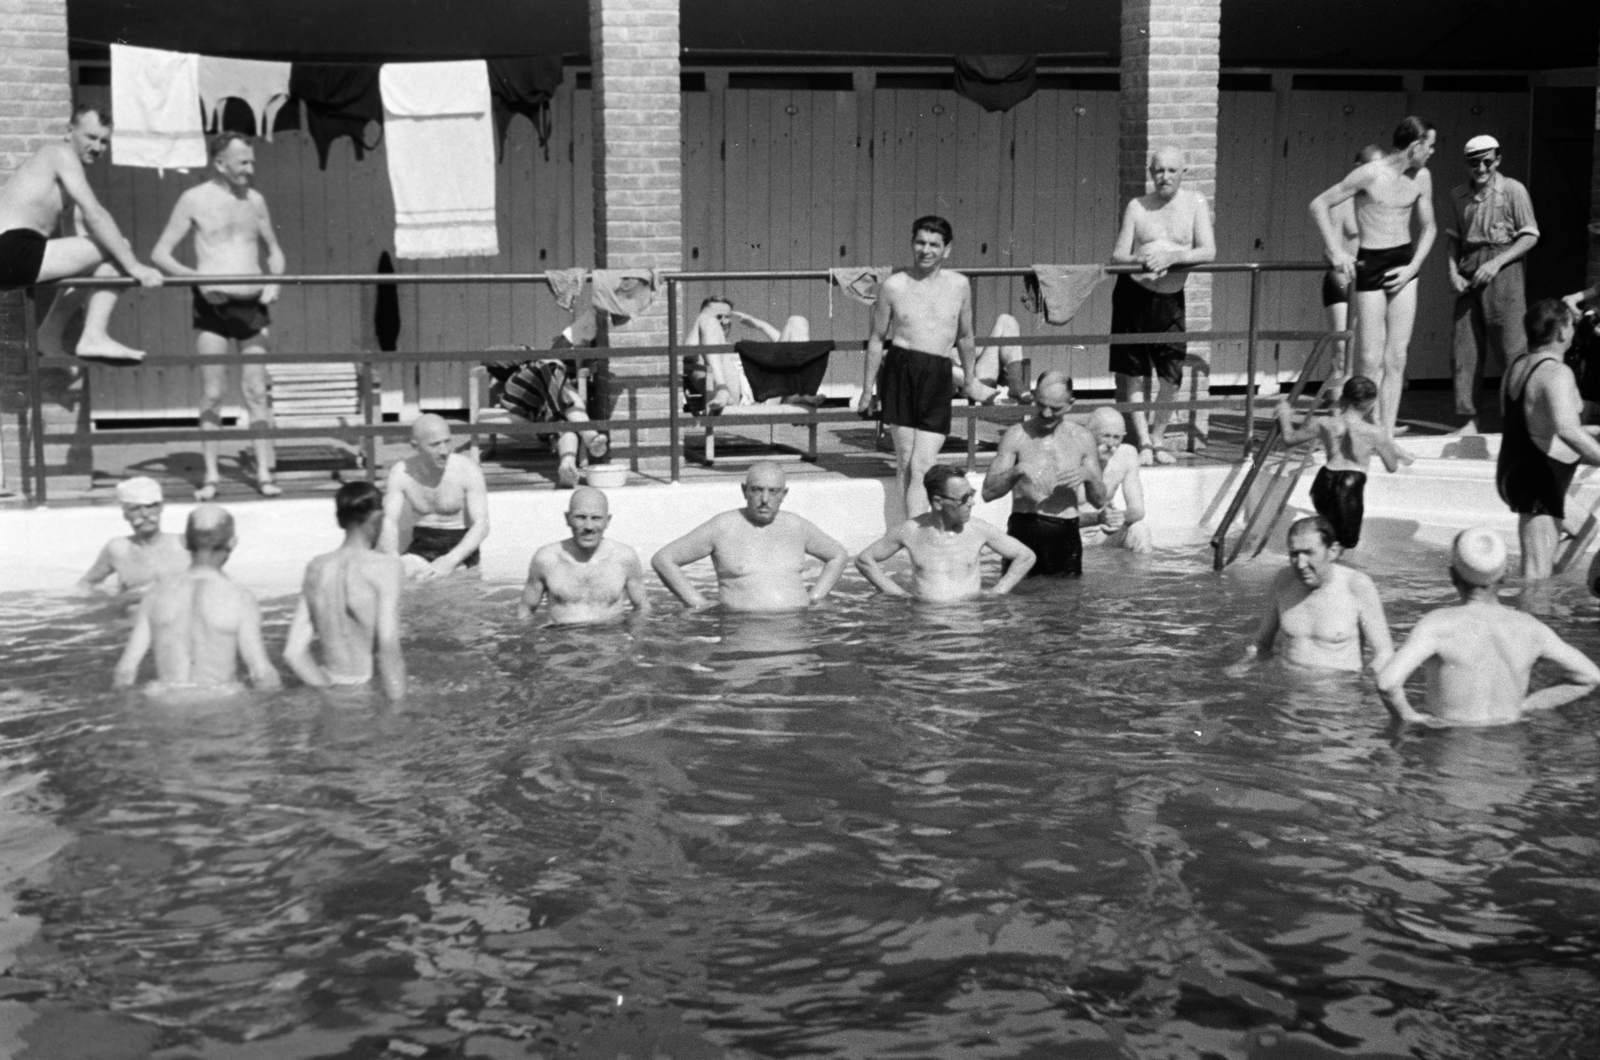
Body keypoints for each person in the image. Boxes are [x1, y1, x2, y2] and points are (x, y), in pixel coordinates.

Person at [150, 133, 288, 499]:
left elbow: (274, 252)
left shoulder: (255, 200)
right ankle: (211, 475)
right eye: (243, 162)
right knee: (212, 393)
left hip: (252, 305)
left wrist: (275, 281)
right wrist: (199, 281)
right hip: (211, 306)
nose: (250, 169)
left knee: (256, 391)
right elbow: (161, 255)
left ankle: (264, 472)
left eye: (252, 162)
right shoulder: (193, 199)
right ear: (220, 162)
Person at [1377, 527, 1600, 727]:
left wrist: (1409, 718)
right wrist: (1528, 705)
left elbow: (1387, 683)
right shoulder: (1532, 628)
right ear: (1506, 575)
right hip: (1509, 750)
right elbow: (1590, 676)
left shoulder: (1438, 625)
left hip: (1452, 745)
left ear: (1452, 575)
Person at [0, 104, 163, 362]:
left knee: (110, 253)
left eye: (104, 141)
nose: (97, 147)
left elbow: (83, 240)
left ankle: (49, 335)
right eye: (91, 137)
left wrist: (110, 261)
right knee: (119, 245)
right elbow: (95, 214)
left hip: (13, 255)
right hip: (11, 248)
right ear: (69, 131)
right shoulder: (59, 154)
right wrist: (135, 266)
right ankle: (93, 337)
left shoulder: (66, 179)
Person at [1310, 117, 1438, 436]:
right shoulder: (1369, 174)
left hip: (1404, 264)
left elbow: (1430, 227)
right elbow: (1319, 205)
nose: (1432, 152)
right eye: (1430, 146)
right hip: (1371, 262)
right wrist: (1337, 252)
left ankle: (1385, 430)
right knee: (1369, 357)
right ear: (1414, 146)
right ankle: (1362, 427)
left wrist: (1413, 267)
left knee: (1397, 356)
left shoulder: (1422, 177)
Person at [857, 216, 988, 518]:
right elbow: (877, 339)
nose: (926, 250)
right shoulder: (894, 286)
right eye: (920, 243)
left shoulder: (959, 285)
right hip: (902, 370)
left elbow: (966, 336)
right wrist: (867, 391)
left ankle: (917, 532)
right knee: (905, 460)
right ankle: (910, 532)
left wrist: (970, 378)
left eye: (934, 244)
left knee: (923, 464)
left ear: (947, 250)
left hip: (938, 373)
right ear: (912, 243)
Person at [1108, 146, 1217, 464]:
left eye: (1171, 170)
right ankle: (1143, 441)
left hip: (1170, 298)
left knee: (1171, 373)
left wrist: (1174, 256)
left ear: (1183, 172)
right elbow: (1118, 255)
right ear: (1150, 172)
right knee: (1134, 373)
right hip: (1134, 293)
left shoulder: (1195, 203)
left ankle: (1158, 438)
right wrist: (1140, 259)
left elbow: (1208, 251)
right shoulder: (1137, 206)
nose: (1164, 177)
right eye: (1158, 170)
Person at [111, 504, 281, 691]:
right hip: (220, 703)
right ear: (233, 542)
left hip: (166, 704)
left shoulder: (154, 595)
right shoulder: (240, 598)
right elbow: (260, 672)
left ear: (184, 542)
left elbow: (125, 670)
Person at [651, 461, 848, 612]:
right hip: (743, 631)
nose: (765, 500)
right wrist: (697, 603)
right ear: (744, 491)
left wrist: (815, 597)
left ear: (784, 494)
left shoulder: (796, 526)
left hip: (796, 628)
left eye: (773, 491)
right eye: (757, 490)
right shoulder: (723, 526)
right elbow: (664, 559)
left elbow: (837, 555)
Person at [1496, 299, 1600, 583]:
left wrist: (1592, 433)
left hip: (1514, 472)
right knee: (1534, 577)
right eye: (1572, 324)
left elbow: (1533, 423)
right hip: (1538, 483)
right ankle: (1531, 607)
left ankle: (1543, 589)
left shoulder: (1516, 366)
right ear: (1562, 332)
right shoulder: (1556, 372)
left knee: (1586, 527)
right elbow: (1567, 430)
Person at [1446, 135, 1540, 435]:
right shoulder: (1458, 195)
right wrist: (1452, 272)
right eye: (1475, 163)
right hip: (1470, 269)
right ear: (1467, 164)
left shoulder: (1513, 190)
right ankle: (1468, 420)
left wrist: (1496, 263)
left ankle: (1518, 419)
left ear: (1497, 159)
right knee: (1465, 348)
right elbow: (1454, 240)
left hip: (1503, 268)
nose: (1482, 168)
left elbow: (1530, 235)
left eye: (1488, 161)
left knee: (1512, 346)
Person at [283, 481, 406, 702]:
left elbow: (293, 653)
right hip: (369, 695)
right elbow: (388, 651)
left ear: (340, 519)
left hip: (328, 691)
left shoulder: (316, 568)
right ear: (377, 518)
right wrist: (398, 710)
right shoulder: (386, 568)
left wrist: (330, 691)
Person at [980, 371, 1106, 577]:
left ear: (1070, 404)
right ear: (1034, 397)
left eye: (1055, 408)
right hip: (1025, 527)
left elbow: (1100, 500)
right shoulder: (1016, 435)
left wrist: (1089, 476)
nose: (1046, 413)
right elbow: (988, 492)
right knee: (1018, 601)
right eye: (1041, 405)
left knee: (1067, 602)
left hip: (1065, 533)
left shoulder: (1082, 438)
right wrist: (1017, 470)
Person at [1234, 515, 1395, 674]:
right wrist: (1241, 667)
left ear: (1332, 551)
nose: (1301, 564)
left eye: (1309, 553)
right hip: (1287, 694)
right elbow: (1262, 643)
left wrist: (1368, 686)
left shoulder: (1357, 585)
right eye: (1294, 554)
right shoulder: (1284, 580)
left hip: (1339, 694)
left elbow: (1384, 654)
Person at [855, 463, 1035, 601]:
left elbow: (1025, 556)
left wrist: (998, 591)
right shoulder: (911, 531)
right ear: (938, 502)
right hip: (925, 621)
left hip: (968, 621)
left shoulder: (978, 530)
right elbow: (864, 560)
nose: (972, 502)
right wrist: (897, 594)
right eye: (964, 498)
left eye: (971, 494)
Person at [1275, 375, 1412, 550]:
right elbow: (1392, 467)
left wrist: (1285, 415)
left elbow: (1289, 439)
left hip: (1323, 482)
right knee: (1345, 544)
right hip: (1350, 487)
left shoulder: (1324, 422)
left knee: (1329, 537)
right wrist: (1389, 449)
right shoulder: (1376, 433)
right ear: (1372, 403)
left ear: (1344, 397)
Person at [380, 413, 490, 579]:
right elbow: (388, 521)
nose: (444, 451)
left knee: (455, 588)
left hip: (460, 549)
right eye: (435, 445)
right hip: (422, 545)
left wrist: (448, 561)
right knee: (396, 579)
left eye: (447, 442)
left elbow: (481, 525)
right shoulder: (401, 473)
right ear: (415, 446)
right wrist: (392, 558)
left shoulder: (467, 470)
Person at [520, 486, 651, 625]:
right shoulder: (546, 559)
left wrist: (634, 640)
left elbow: (642, 607)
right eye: (581, 517)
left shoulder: (625, 558)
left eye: (596, 518)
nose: (588, 526)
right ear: (568, 518)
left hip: (610, 639)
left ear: (607, 520)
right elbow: (525, 610)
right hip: (561, 640)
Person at [683, 296, 812, 413]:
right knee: (709, 322)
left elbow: (789, 349)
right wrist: (704, 317)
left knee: (797, 321)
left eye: (727, 316)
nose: (724, 322)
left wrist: (761, 325)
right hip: (732, 391)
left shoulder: (738, 345)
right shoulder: (700, 346)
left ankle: (799, 392)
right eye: (718, 316)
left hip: (768, 392)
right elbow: (687, 355)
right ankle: (721, 389)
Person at [1322, 145, 1386, 374]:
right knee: (1342, 348)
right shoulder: (1341, 201)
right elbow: (1330, 249)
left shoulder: (1385, 203)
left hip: (1370, 282)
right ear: (1359, 169)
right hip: (1342, 280)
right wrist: (1342, 259)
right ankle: (1337, 408)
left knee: (1373, 351)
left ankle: (1368, 408)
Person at [76, 476, 191, 595]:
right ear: (125, 514)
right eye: (135, 509)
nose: (145, 514)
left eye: (150, 506)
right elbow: (86, 584)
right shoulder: (118, 549)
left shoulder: (183, 544)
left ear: (161, 507)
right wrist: (108, 601)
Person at [1084, 406, 1151, 553]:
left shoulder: (1127, 455)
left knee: (1139, 530)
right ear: (1088, 434)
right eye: (1105, 436)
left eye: (1117, 437)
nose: (1110, 444)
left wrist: (1116, 518)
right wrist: (1095, 518)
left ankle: (1143, 575)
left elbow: (1138, 510)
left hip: (1104, 531)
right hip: (1074, 533)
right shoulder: (1071, 456)